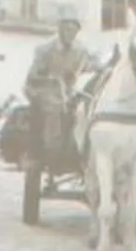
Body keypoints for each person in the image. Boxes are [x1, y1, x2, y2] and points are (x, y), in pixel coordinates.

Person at [25, 10, 89, 166]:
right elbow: (32, 77)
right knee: (55, 107)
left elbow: (86, 70)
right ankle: (52, 148)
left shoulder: (81, 51)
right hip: (45, 89)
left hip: (70, 91)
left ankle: (82, 146)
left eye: (74, 30)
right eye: (67, 29)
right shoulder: (45, 49)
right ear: (60, 29)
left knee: (86, 107)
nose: (71, 34)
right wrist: (51, 78)